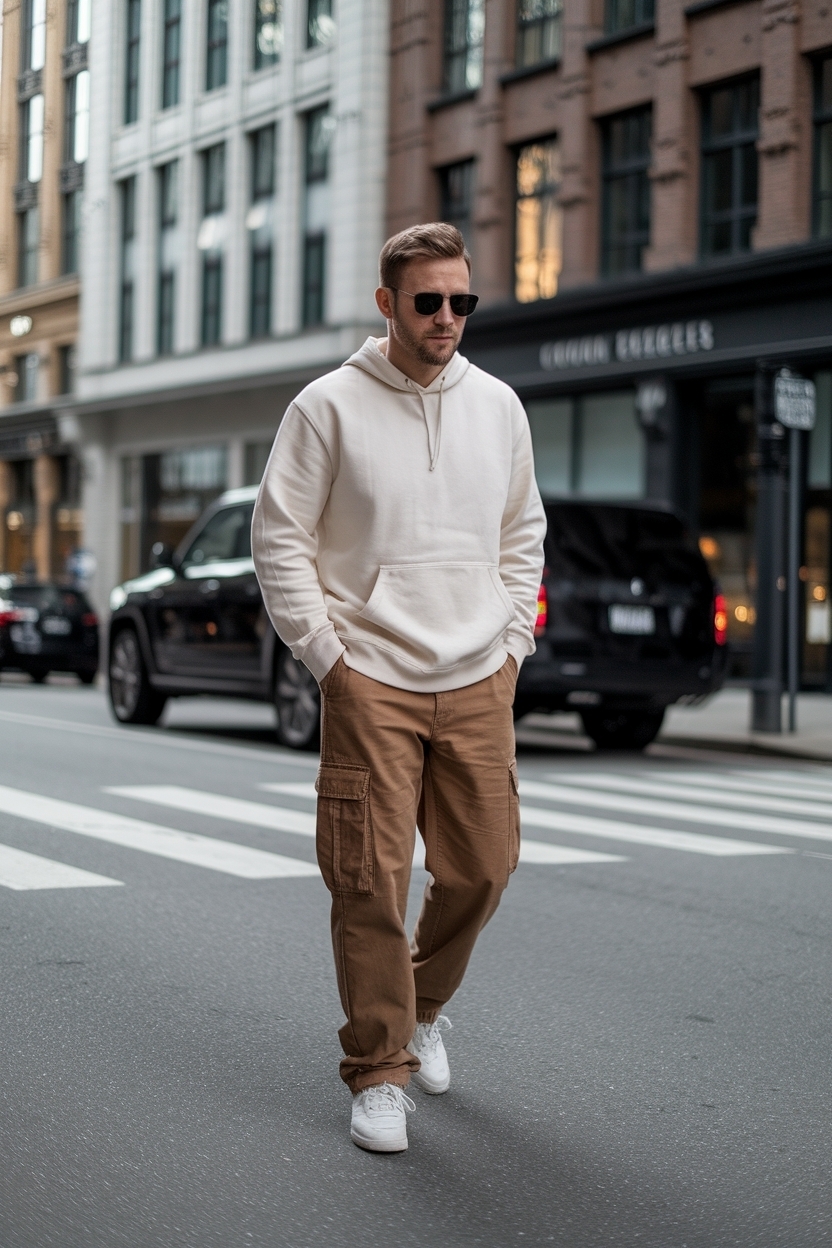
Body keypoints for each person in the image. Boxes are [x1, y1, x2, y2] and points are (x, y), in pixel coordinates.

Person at [252, 222, 546, 1153]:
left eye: (463, 301)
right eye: (430, 302)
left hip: (477, 675)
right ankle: (379, 1070)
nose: (449, 317)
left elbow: (522, 531)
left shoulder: (499, 406)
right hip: (369, 672)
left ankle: (421, 1010)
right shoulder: (326, 407)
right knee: (368, 879)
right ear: (388, 305)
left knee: (484, 868)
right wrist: (328, 656)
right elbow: (279, 538)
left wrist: (511, 644)